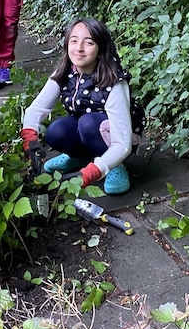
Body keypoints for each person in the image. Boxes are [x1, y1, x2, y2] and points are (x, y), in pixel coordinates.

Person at [20, 17, 144, 196]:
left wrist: (91, 173)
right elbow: (36, 108)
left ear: (100, 50)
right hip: (84, 128)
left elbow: (122, 144)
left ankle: (115, 165)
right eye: (74, 41)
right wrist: (30, 138)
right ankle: (78, 157)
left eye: (89, 43)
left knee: (88, 123)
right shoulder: (65, 72)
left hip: (115, 136)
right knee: (56, 131)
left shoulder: (114, 83)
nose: (79, 48)